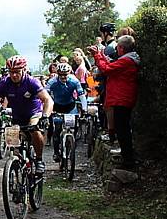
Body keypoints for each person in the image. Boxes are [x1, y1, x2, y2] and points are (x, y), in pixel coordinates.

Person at [0, 56, 53, 175]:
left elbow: (48, 100)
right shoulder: (4, 83)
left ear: (24, 70)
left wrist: (45, 116)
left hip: (33, 113)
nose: (14, 75)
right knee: (15, 147)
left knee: (35, 130)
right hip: (17, 117)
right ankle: (16, 168)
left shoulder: (32, 82)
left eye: (17, 72)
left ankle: (39, 160)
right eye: (11, 72)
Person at [89, 35, 139, 169]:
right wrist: (99, 55)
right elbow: (111, 65)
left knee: (123, 130)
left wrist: (97, 56)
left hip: (122, 99)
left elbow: (107, 69)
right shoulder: (127, 60)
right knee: (122, 129)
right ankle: (126, 156)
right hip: (121, 98)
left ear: (121, 48)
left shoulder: (127, 61)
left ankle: (128, 161)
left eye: (118, 47)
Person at [47, 62, 88, 162]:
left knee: (74, 126)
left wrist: (85, 109)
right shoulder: (52, 82)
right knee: (57, 129)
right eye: (60, 74)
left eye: (65, 74)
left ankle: (71, 143)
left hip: (70, 107)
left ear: (69, 73)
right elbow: (45, 95)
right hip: (57, 107)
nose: (63, 77)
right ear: (57, 74)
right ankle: (56, 153)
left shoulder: (74, 81)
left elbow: (81, 96)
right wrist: (47, 110)